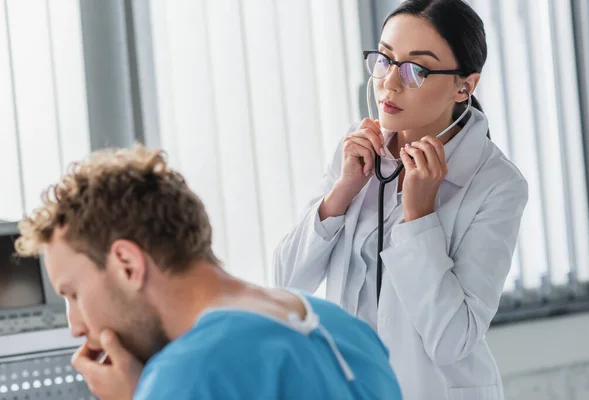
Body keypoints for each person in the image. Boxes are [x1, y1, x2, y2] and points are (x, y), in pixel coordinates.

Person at [273, 1, 528, 399]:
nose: (389, 84)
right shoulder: (358, 150)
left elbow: (452, 340)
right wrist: (341, 193)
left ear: (465, 86)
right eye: (385, 60)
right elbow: (285, 282)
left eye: (416, 70)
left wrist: (419, 216)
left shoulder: (496, 184)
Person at [14, 145, 402, 400]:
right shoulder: (343, 329)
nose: (75, 326)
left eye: (74, 294)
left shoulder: (192, 374)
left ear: (127, 265)